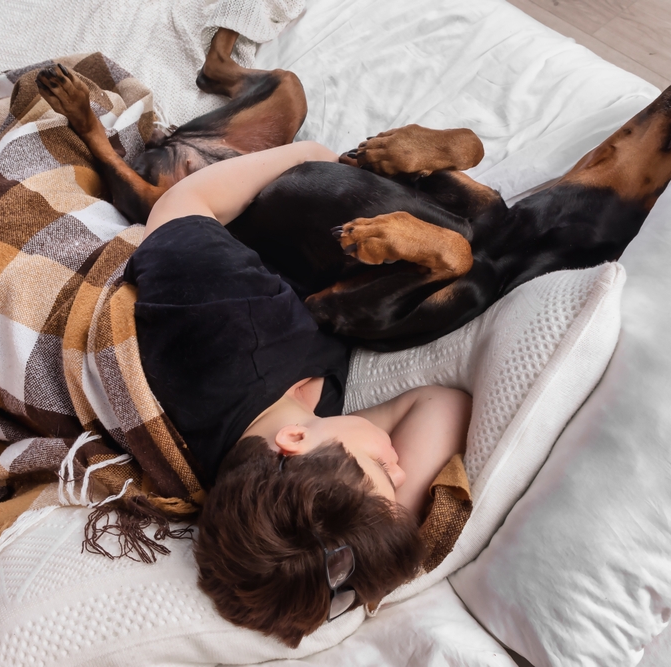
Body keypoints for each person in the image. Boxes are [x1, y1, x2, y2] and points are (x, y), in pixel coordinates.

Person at [123, 140, 471, 647]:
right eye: (397, 482)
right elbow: (442, 403)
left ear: (293, 440)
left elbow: (179, 206)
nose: (400, 471)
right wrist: (387, 529)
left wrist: (304, 152)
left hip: (226, 233)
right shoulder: (309, 431)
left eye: (381, 472)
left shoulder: (224, 315)